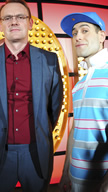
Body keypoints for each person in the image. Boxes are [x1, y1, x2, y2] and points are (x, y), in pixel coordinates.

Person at [0, 0, 63, 192]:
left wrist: (41, 130)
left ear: (30, 23)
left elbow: (54, 107)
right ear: (0, 25)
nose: (14, 21)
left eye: (20, 16)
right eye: (7, 18)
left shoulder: (49, 60)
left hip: (36, 153)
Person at [59, 12, 108, 192]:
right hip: (75, 180)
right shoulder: (79, 84)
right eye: (74, 32)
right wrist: (65, 172)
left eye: (85, 30)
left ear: (101, 36)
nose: (78, 36)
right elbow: (75, 129)